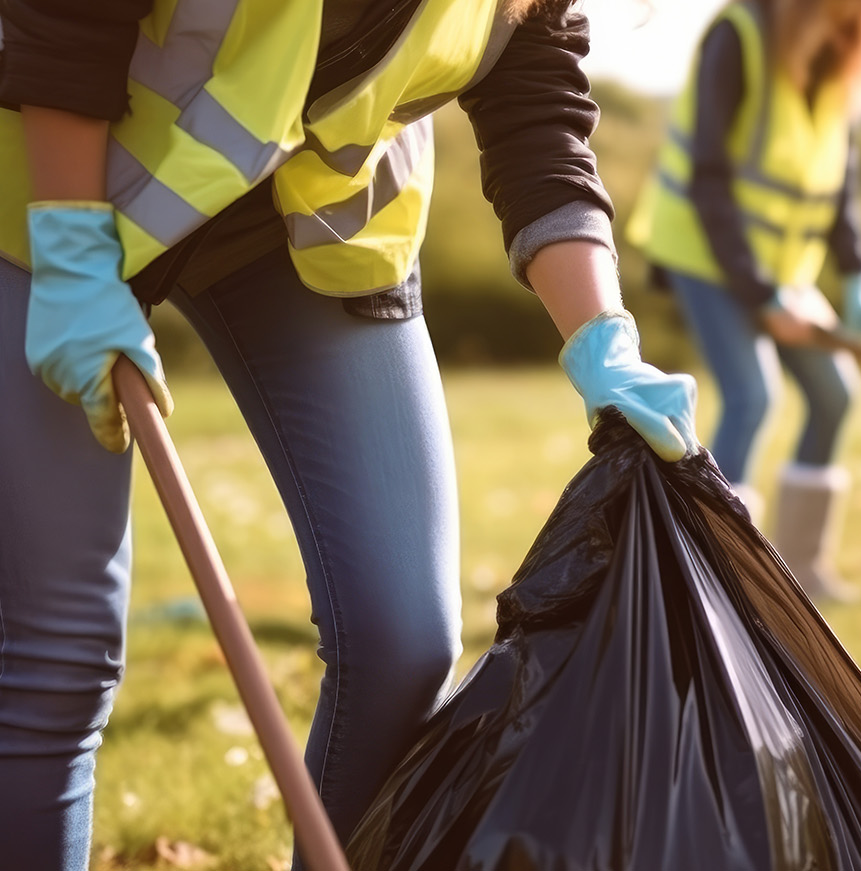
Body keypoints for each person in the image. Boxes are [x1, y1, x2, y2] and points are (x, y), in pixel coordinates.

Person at [0, 0, 698, 867]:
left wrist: (604, 339)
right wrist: (70, 250)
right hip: (58, 179)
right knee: (55, 657)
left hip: (304, 226)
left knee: (404, 640)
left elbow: (536, 109)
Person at [625, 0, 861, 601]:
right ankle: (718, 580)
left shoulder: (834, 55)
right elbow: (709, 177)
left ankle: (801, 572)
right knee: (752, 396)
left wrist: (858, 276)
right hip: (705, 254)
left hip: (780, 271)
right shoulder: (737, 35)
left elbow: (839, 186)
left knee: (836, 394)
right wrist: (762, 296)